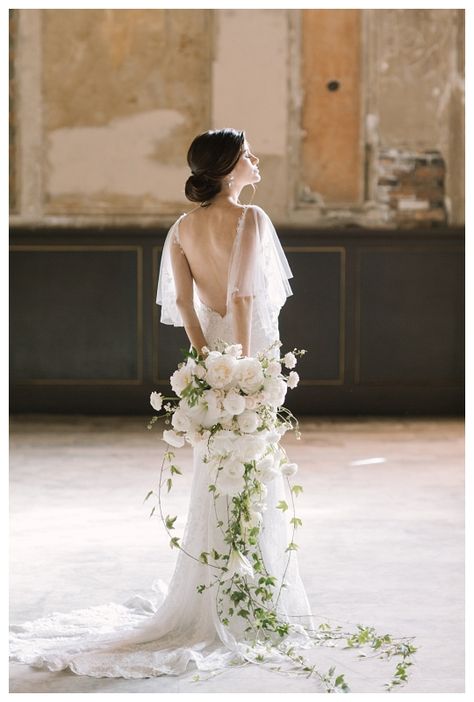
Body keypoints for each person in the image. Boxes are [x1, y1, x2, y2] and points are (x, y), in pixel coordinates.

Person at [9, 128, 316, 680]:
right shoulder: (251, 220)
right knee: (255, 471)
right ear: (227, 168)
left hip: (215, 362)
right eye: (247, 154)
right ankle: (252, 601)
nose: (255, 159)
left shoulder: (181, 228)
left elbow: (187, 305)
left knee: (217, 473)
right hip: (248, 356)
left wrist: (209, 369)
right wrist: (243, 370)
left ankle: (216, 596)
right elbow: (244, 297)